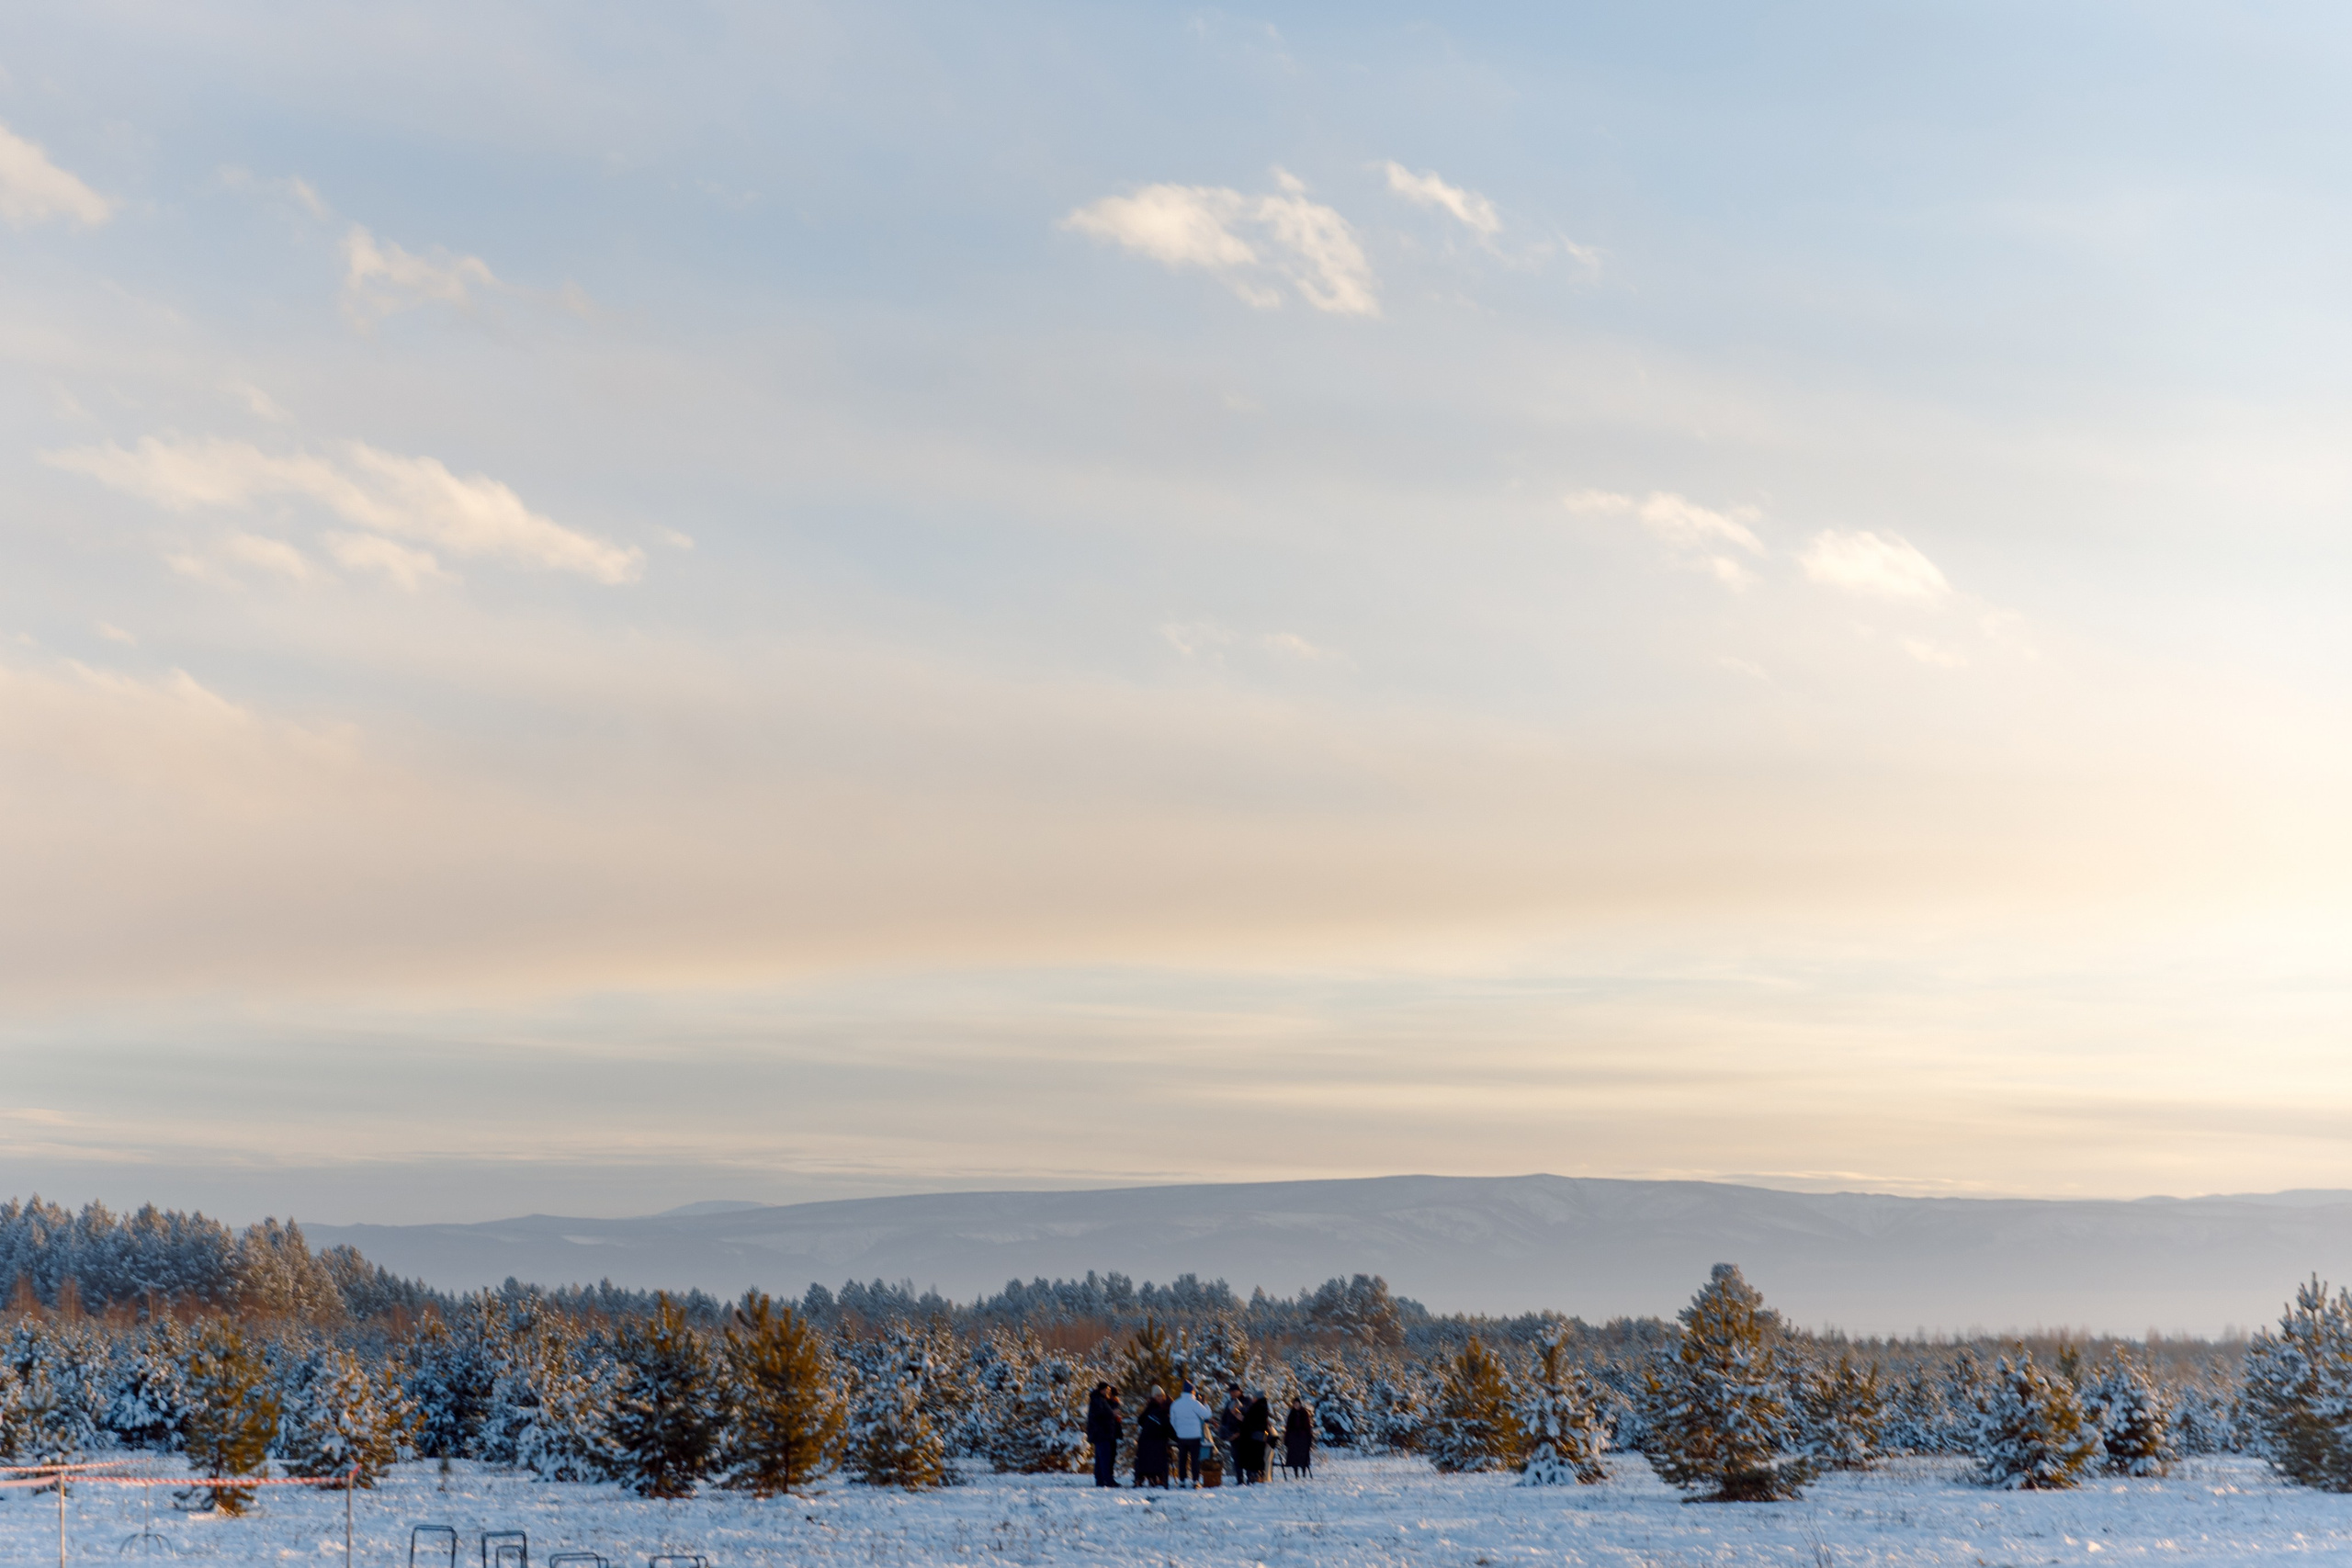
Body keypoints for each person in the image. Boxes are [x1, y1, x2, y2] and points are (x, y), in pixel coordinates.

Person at [1169, 1380, 1212, 1487]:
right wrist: (1205, 1403)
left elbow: (1172, 1421)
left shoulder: (1176, 1404)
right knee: (1194, 1459)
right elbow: (1207, 1415)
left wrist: (1178, 1430)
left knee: (1182, 1459)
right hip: (1194, 1435)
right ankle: (1195, 1481)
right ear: (1192, 1391)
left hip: (1181, 1436)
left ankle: (1182, 1480)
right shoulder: (1195, 1403)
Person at [1136, 1384, 1174, 1489]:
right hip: (1157, 1440)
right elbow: (1167, 1427)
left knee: (1146, 1459)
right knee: (1158, 1459)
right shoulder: (1161, 1411)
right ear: (1154, 1397)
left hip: (1147, 1439)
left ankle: (1147, 1478)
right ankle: (1158, 1479)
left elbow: (1140, 1420)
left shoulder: (1150, 1409)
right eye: (1158, 1396)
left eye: (1162, 1396)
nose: (1161, 1398)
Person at [1087, 1382, 1123, 1488]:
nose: (1107, 1392)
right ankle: (1107, 1479)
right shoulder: (1098, 1400)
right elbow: (1099, 1415)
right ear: (1102, 1389)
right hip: (1101, 1433)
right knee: (1104, 1457)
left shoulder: (1100, 1400)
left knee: (1101, 1457)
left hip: (1102, 1433)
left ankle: (1101, 1479)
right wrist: (1112, 1413)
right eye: (1106, 1390)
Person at [1238, 1388, 1272, 1484]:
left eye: (1254, 1397)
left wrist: (1243, 1419)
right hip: (1261, 1436)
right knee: (1258, 1455)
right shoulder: (1263, 1407)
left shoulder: (1257, 1407)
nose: (1253, 1398)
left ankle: (1254, 1476)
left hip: (1254, 1436)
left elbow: (1252, 1421)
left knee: (1253, 1456)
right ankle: (1258, 1475)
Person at [1218, 1386, 1246, 1481]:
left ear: (1239, 1391)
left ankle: (1252, 1478)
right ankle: (1240, 1478)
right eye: (1231, 1391)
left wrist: (1239, 1432)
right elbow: (1225, 1419)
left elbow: (1248, 1419)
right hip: (1232, 1435)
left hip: (1244, 1435)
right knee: (1236, 1457)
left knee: (1247, 1457)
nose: (1232, 1393)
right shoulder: (1229, 1403)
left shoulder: (1246, 1402)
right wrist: (1227, 1433)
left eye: (1234, 1391)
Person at [1283, 1393, 1314, 1479]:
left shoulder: (1304, 1413)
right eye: (1294, 1404)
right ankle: (1296, 1473)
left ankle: (1304, 1472)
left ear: (1300, 1404)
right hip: (1293, 1439)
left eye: (1297, 1404)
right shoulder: (1292, 1414)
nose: (1296, 1405)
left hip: (1302, 1439)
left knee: (1303, 1456)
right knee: (1294, 1457)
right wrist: (1287, 1438)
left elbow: (1307, 1426)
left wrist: (1309, 1437)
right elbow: (1288, 1426)